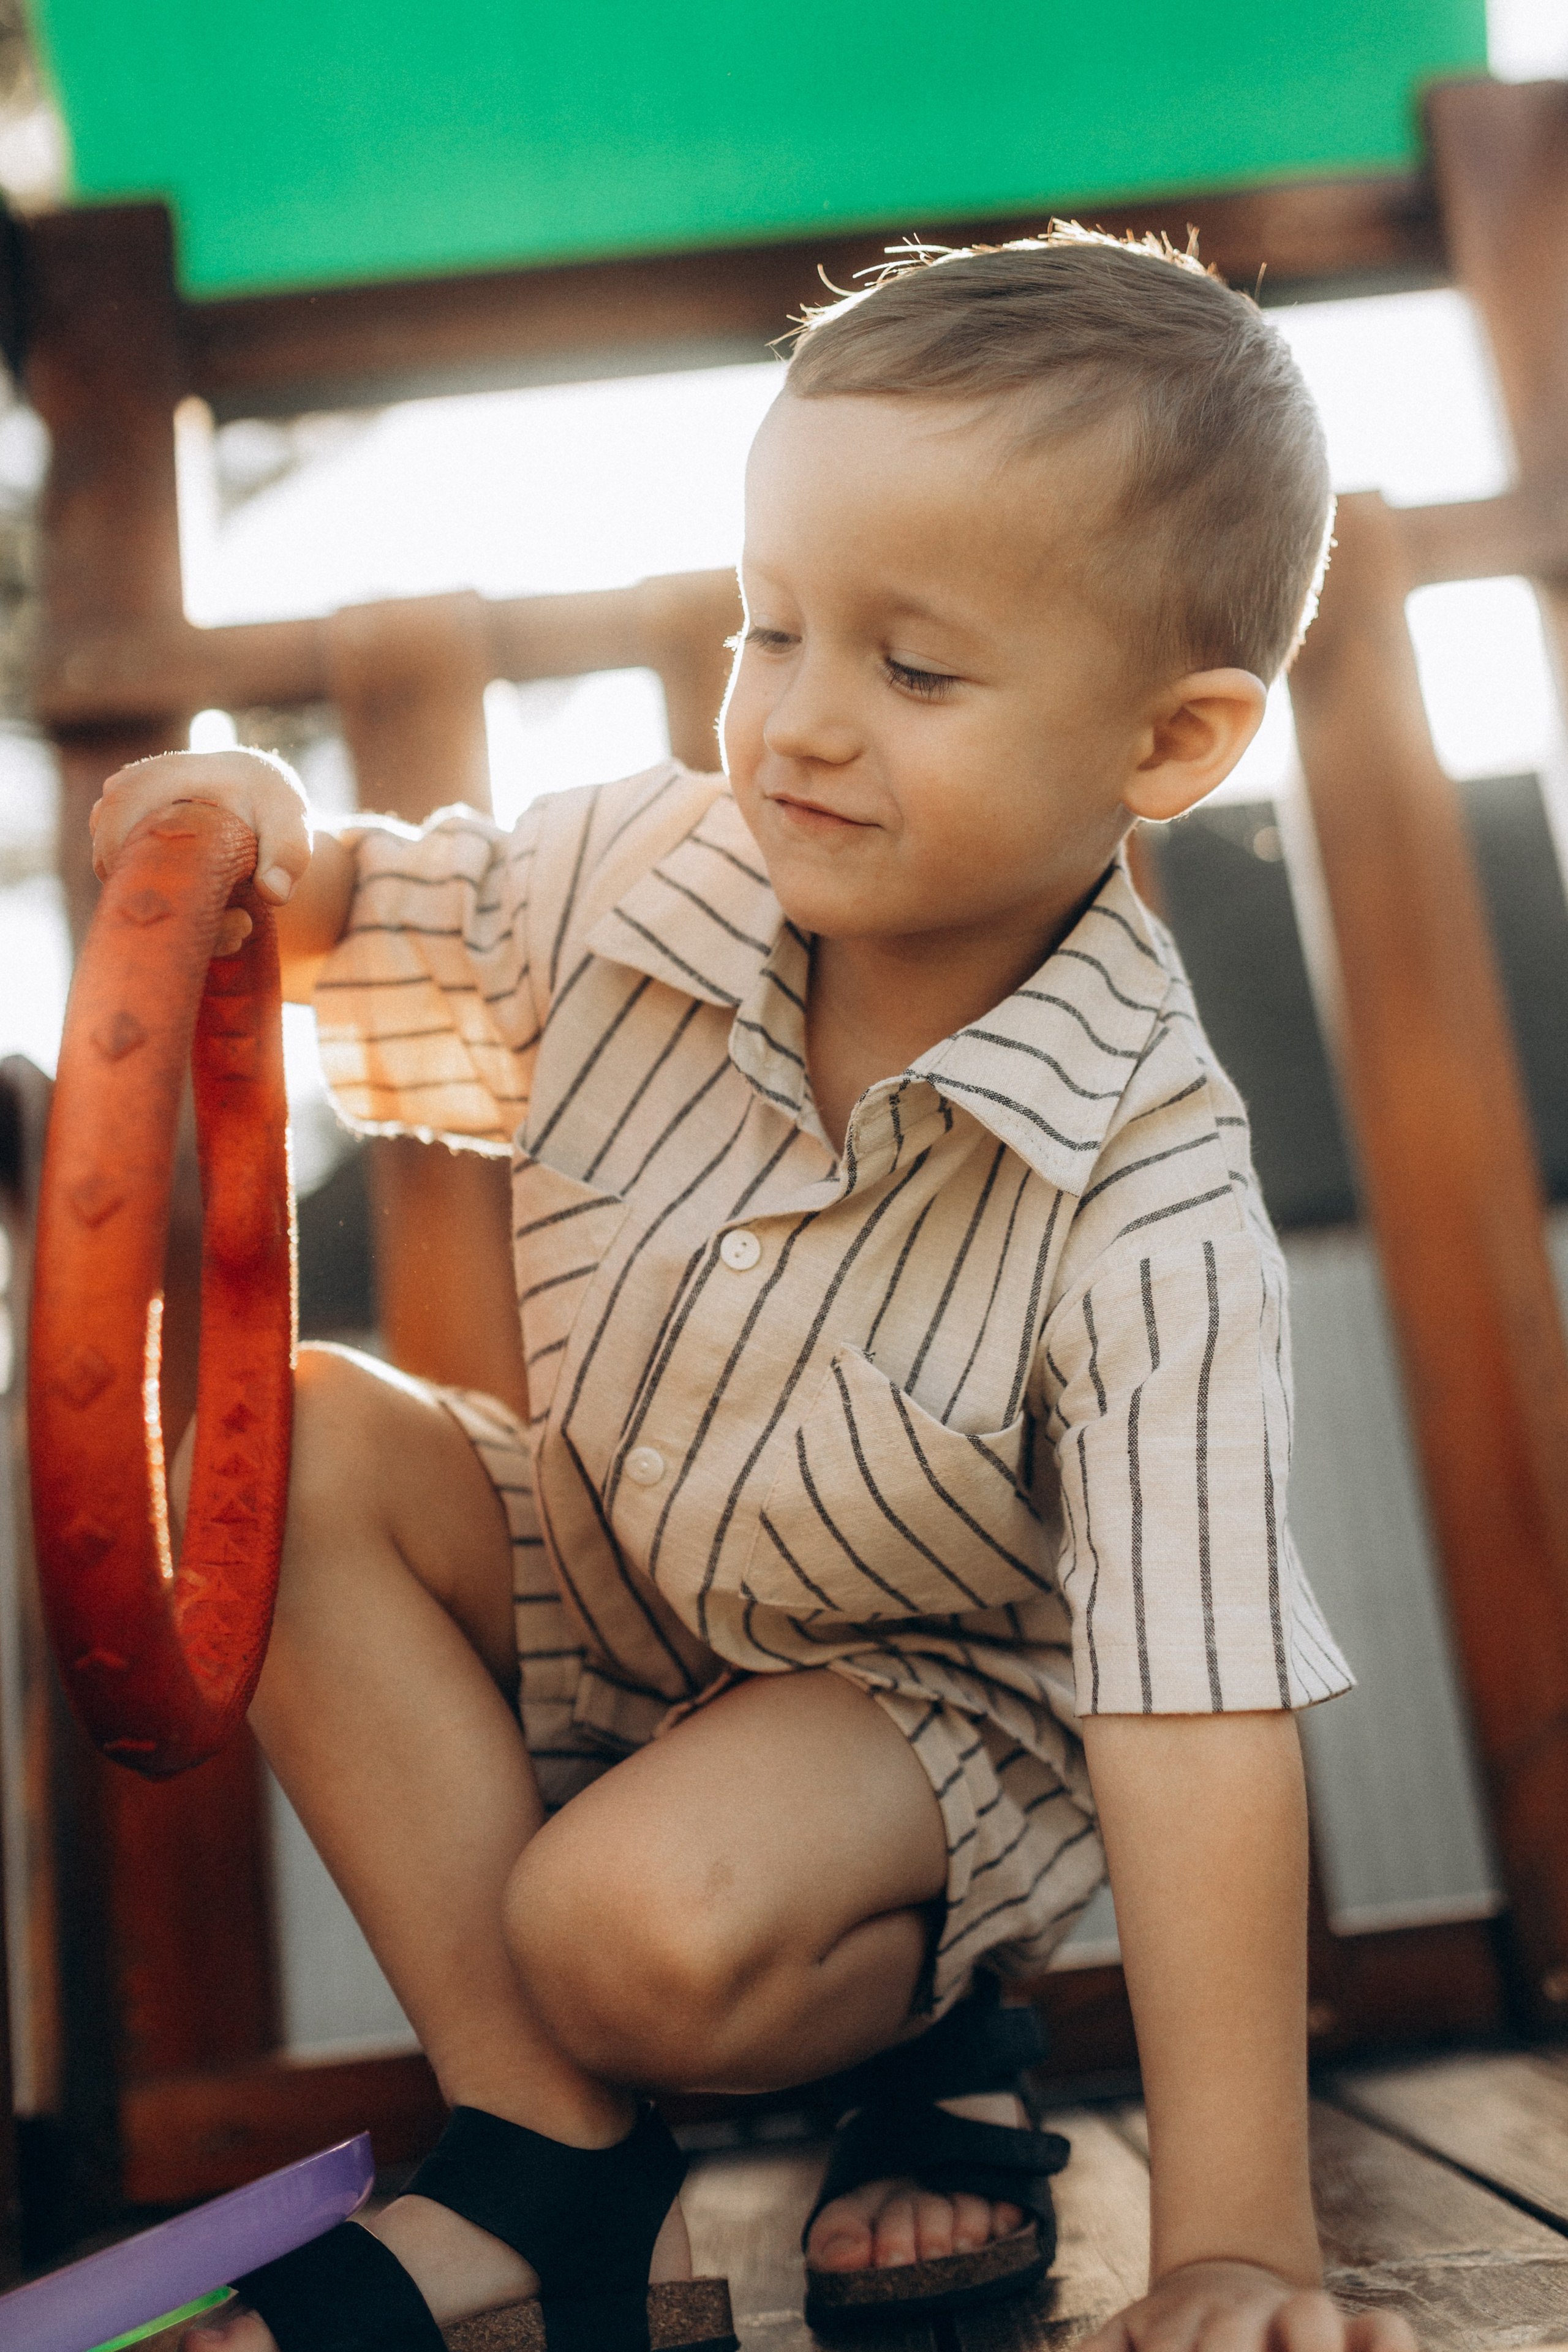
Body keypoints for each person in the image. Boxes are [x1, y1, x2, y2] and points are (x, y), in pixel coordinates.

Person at [91, 228, 1413, 2352]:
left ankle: (928, 2024)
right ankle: (544, 2161)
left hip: (922, 1722)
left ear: (1165, 744)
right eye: (769, 625)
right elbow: (343, 917)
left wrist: (1239, 2246)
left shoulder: (1148, 1201)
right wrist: (259, 834)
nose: (793, 723)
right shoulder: (641, 873)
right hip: (615, 1578)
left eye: (910, 671)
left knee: (628, 1925)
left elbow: (1192, 1718)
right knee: (298, 1429)